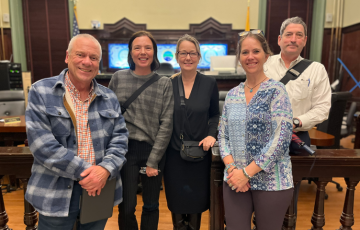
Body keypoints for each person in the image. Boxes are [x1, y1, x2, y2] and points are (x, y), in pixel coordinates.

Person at [25, 34, 129, 229]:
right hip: (56, 190)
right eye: (80, 55)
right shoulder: (41, 91)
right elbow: (42, 145)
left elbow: (120, 139)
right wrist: (89, 173)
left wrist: (105, 170)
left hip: (100, 188)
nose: (86, 62)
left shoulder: (109, 97)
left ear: (99, 62)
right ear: (67, 56)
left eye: (93, 57)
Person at [218, 30, 294, 230]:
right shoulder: (232, 94)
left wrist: (247, 173)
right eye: (244, 52)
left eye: (256, 51)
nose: (250, 57)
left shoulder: (277, 91)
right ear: (239, 58)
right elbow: (223, 136)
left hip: (272, 181)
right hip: (235, 181)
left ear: (266, 55)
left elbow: (282, 138)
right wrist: (234, 171)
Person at [264, 16, 331, 222]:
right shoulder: (263, 64)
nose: (293, 39)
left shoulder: (316, 69)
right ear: (279, 39)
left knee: (289, 192)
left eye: (298, 35)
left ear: (305, 40)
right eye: (289, 34)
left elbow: (322, 108)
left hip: (296, 138)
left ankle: (287, 224)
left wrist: (295, 122)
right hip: (263, 139)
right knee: (261, 191)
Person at [108, 31, 174, 230]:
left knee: (151, 205)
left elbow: (167, 124)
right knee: (126, 207)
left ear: (154, 53)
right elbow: (109, 115)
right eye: (137, 47)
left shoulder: (164, 83)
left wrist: (154, 160)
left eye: (148, 48)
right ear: (130, 52)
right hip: (125, 150)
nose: (142, 52)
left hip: (153, 150)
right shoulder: (118, 78)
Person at [164, 34, 219, 230]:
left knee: (196, 205)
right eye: (184, 53)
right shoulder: (167, 84)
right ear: (177, 56)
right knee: (176, 205)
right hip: (173, 156)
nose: (188, 57)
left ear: (199, 56)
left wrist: (212, 134)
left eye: (192, 53)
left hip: (200, 155)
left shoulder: (209, 83)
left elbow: (214, 115)